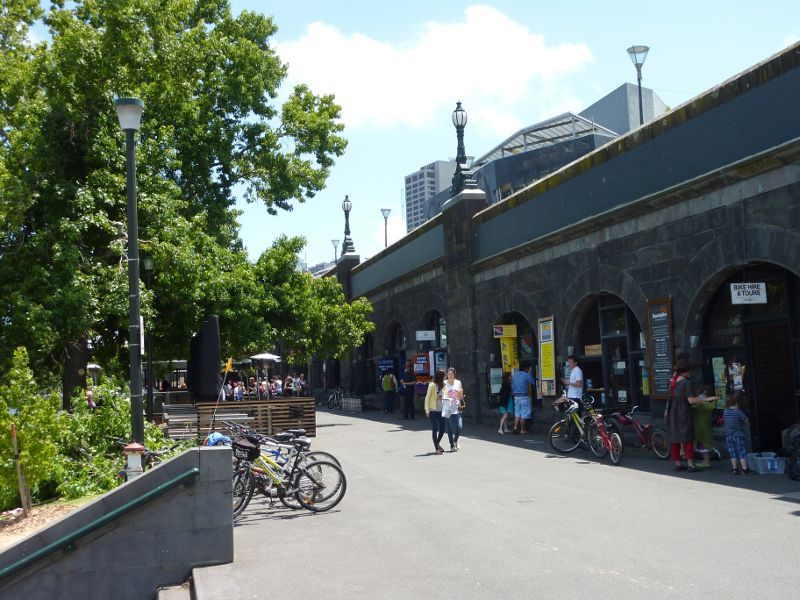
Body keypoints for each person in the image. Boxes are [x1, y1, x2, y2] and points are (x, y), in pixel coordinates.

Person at [666, 359, 716, 472]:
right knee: (688, 438)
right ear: (685, 371)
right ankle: (690, 464)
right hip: (683, 413)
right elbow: (691, 401)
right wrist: (706, 399)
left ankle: (678, 463)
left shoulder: (672, 381)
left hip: (672, 413)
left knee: (675, 439)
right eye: (689, 371)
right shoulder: (686, 382)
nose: (690, 373)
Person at [724, 394, 750, 474]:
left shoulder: (725, 412)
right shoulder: (738, 412)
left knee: (732, 452)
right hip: (738, 435)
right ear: (736, 404)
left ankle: (734, 469)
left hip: (729, 436)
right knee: (741, 452)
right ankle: (744, 469)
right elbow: (746, 421)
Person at [424, 369, 447, 454]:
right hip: (433, 410)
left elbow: (446, 395)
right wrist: (426, 410)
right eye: (444, 376)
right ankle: (437, 448)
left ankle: (437, 444)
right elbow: (427, 397)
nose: (445, 377)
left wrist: (443, 396)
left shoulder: (443, 385)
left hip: (441, 410)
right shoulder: (432, 385)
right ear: (440, 376)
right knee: (435, 428)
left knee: (442, 428)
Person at [693, 385, 716, 467]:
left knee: (704, 444)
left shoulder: (707, 403)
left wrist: (702, 401)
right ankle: (705, 461)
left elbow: (707, 407)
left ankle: (706, 462)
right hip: (700, 426)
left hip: (703, 427)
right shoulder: (704, 402)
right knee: (701, 443)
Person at [511, 361, 536, 434]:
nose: (528, 369)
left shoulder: (515, 375)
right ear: (526, 368)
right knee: (524, 413)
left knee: (517, 413)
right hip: (524, 397)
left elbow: (512, 387)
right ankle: (522, 430)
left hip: (516, 397)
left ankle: (515, 427)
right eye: (528, 368)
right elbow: (533, 382)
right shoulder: (526, 375)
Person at [443, 367, 464, 451]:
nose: (450, 375)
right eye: (448, 374)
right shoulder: (444, 383)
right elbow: (442, 394)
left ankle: (455, 440)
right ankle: (452, 446)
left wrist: (460, 397)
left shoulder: (458, 383)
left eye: (451, 374)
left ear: (454, 374)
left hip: (456, 407)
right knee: (450, 428)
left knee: (459, 426)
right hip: (447, 408)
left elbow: (460, 395)